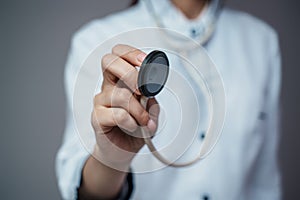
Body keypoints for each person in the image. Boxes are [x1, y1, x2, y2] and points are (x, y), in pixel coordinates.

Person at [56, 0, 282, 199]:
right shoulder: (96, 40)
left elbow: (264, 184)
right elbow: (83, 192)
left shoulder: (261, 41)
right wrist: (113, 158)